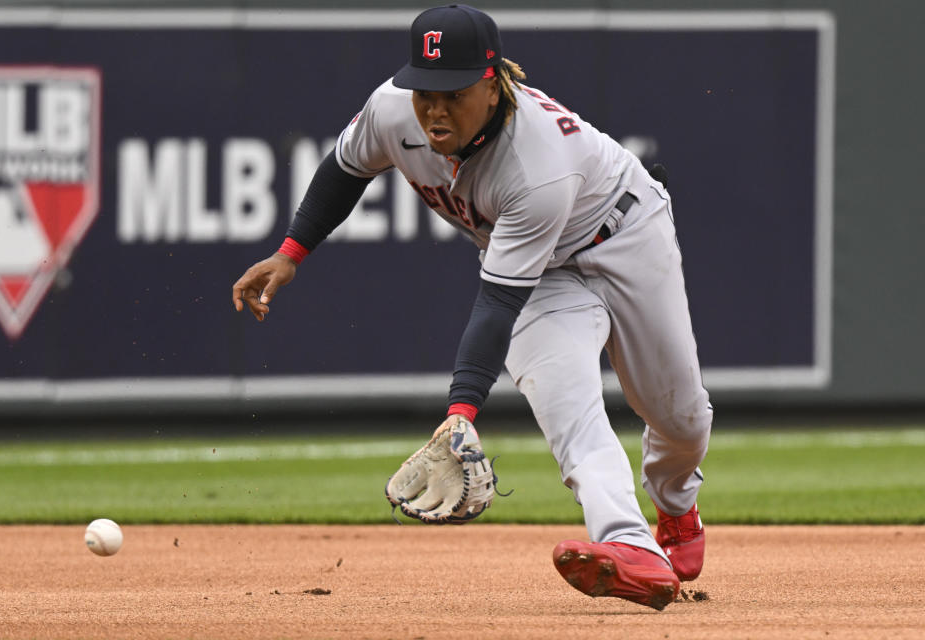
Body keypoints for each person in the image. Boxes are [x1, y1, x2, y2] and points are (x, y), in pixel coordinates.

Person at [232, 4, 710, 611]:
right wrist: (291, 251)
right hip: (545, 280)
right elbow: (344, 168)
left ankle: (676, 504)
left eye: (452, 93)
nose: (433, 108)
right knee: (568, 406)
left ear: (492, 84)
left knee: (679, 416)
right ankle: (631, 546)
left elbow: (495, 302)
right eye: (423, 90)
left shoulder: (534, 162)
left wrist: (461, 410)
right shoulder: (390, 109)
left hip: (626, 236)